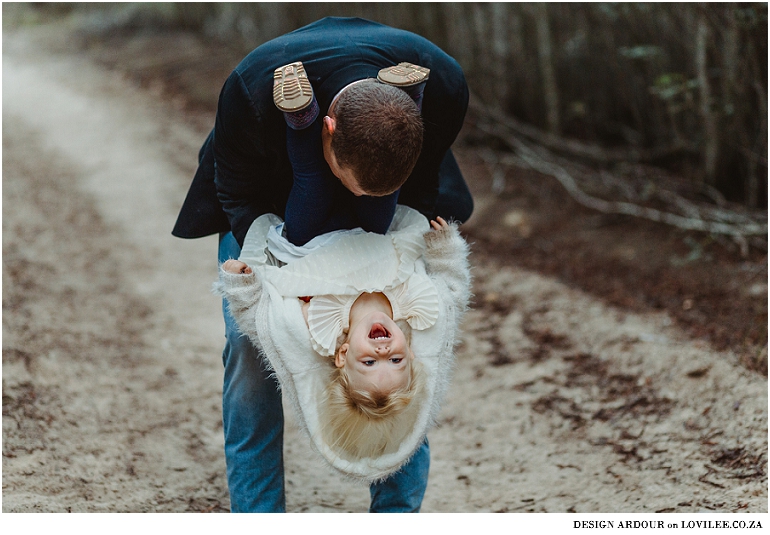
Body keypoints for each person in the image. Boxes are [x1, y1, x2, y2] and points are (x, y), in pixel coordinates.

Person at [171, 16, 472, 513]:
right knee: (250, 353)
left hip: (387, 217)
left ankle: (396, 514)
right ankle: (259, 515)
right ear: (327, 134)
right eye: (352, 184)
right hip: (272, 204)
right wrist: (272, 271)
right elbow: (238, 196)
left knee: (411, 363)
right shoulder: (250, 89)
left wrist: (415, 245)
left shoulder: (442, 80)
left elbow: (420, 187)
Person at [214, 207, 471, 482]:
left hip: (307, 234)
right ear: (410, 351)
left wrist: (243, 286)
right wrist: (445, 252)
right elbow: (452, 296)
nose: (383, 352)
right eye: (396, 361)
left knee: (309, 185)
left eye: (369, 362)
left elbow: (266, 324)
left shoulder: (318, 325)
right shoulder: (416, 314)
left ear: (343, 354)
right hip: (378, 224)